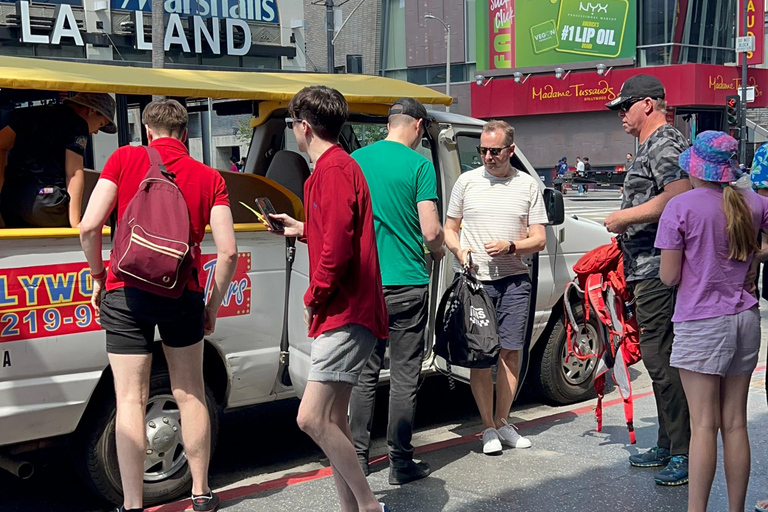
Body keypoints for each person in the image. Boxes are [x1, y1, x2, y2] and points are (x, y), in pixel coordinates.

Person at [79, 99, 238, 512]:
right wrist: (212, 306)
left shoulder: (123, 159)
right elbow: (228, 252)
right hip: (182, 293)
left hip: (125, 292)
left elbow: (90, 225)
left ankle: (133, 503)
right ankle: (201, 493)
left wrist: (99, 276)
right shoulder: (209, 177)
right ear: (185, 133)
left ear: (147, 130)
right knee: (191, 392)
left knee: (130, 398)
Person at [266, 86, 391, 512]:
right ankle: (353, 508)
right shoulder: (340, 168)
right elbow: (340, 234)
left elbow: (336, 249)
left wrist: (313, 294)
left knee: (311, 418)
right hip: (351, 310)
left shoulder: (331, 171)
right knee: (333, 420)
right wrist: (299, 227)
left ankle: (369, 505)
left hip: (344, 311)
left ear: (303, 126)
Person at [656, 131, 768, 512]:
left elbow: (669, 276)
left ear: (695, 168)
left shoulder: (681, 206)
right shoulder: (752, 202)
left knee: (703, 424)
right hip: (746, 319)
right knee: (735, 422)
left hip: (702, 321)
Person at [348, 98, 444, 485]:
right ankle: (400, 463)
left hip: (366, 283)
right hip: (407, 283)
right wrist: (437, 250)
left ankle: (356, 460)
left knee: (363, 375)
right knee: (405, 376)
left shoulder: (356, 160)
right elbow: (432, 231)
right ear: (419, 126)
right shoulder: (420, 165)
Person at [604, 74, 692, 486]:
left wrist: (625, 217)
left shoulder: (665, 141)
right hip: (644, 267)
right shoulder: (653, 143)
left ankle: (682, 451)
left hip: (659, 268)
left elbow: (679, 193)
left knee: (660, 359)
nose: (621, 114)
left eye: (626, 106)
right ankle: (667, 442)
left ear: (649, 105)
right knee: (658, 357)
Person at [444, 120, 547, 455]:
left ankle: (503, 421)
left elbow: (540, 239)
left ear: (510, 151)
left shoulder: (528, 186)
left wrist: (512, 246)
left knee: (511, 352)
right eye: (483, 151)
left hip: (515, 280)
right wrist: (460, 251)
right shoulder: (466, 182)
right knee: (480, 356)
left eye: (495, 151)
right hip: (475, 282)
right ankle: (487, 426)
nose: (488, 157)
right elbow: (450, 228)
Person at [0, 92, 116, 228]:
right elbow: (73, 174)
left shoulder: (30, 114)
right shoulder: (78, 124)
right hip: (46, 205)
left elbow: (1, 144)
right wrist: (76, 222)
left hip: (11, 205)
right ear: (91, 110)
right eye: (101, 123)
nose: (96, 131)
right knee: (93, 226)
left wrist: (3, 183)